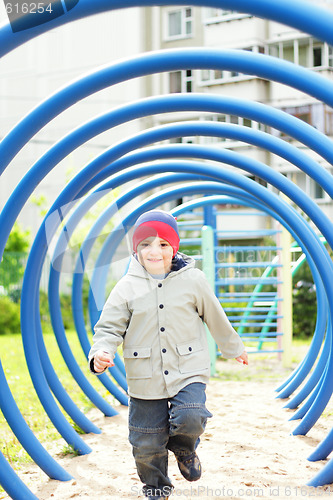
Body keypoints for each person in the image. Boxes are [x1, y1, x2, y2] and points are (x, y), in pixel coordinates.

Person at [88, 209, 248, 500]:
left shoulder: (193, 280)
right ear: (135, 250)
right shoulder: (126, 288)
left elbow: (214, 315)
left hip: (188, 368)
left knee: (192, 416)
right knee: (146, 444)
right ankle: (157, 489)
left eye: (163, 244)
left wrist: (233, 347)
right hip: (144, 377)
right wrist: (101, 351)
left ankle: (185, 448)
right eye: (146, 244)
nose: (154, 251)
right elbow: (109, 327)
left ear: (174, 248)